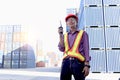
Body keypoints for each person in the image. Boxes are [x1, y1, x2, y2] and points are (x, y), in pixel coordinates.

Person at [58, 14, 91, 80]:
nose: (71, 21)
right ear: (67, 24)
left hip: (78, 63)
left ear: (76, 22)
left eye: (73, 19)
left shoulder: (83, 33)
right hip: (66, 63)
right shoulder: (65, 35)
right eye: (68, 20)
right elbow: (61, 48)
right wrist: (60, 35)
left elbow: (86, 49)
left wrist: (87, 65)